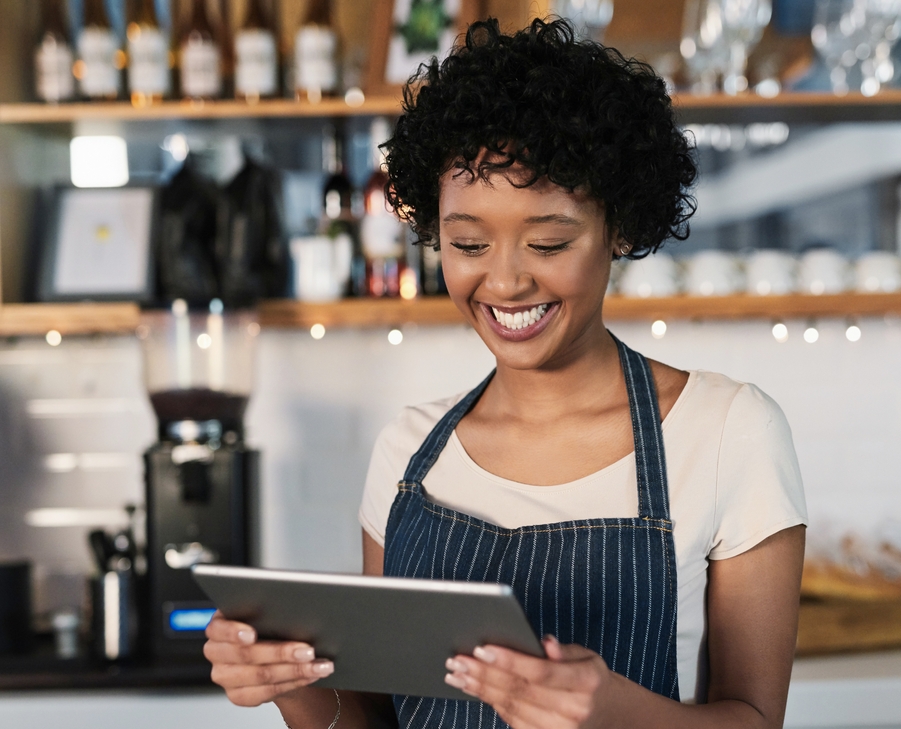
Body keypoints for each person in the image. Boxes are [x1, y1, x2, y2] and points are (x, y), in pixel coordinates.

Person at [204, 17, 808, 729]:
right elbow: (372, 721)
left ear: (619, 227)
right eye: (467, 242)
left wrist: (615, 712)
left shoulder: (727, 429)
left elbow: (754, 720)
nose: (507, 279)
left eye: (548, 240)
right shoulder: (408, 453)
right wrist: (289, 680)